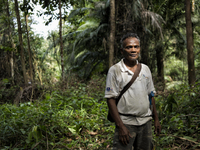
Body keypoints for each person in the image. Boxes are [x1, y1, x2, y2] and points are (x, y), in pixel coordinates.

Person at [105, 33, 161, 150]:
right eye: (129, 47)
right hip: (126, 122)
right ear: (122, 50)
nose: (133, 50)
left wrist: (156, 119)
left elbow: (151, 95)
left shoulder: (145, 69)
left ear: (139, 49)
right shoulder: (115, 70)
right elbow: (110, 99)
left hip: (145, 121)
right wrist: (121, 126)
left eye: (136, 47)